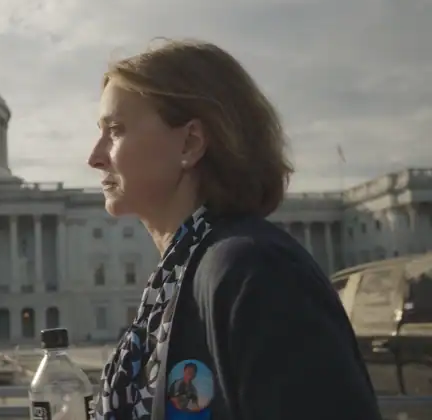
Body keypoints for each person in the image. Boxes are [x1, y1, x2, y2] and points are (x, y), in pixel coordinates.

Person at [87, 39, 381, 420]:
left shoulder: (256, 271)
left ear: (190, 143)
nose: (94, 157)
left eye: (115, 130)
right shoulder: (183, 275)